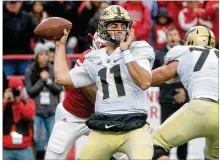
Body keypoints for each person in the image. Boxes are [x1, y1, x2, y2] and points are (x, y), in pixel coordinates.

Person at [53, 5, 155, 160]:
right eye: (114, 26)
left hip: (134, 127)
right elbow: (61, 78)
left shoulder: (138, 49)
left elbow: (145, 82)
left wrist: (125, 52)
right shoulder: (94, 58)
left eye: (123, 26)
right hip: (103, 128)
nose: (119, 30)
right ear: (102, 29)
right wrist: (60, 46)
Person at [151, 26, 218, 160]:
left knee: (154, 145)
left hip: (200, 108)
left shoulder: (185, 51)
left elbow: (157, 76)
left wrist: (134, 78)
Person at [153, 27, 189, 160]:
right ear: (166, 38)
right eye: (170, 35)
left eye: (175, 34)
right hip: (166, 100)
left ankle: (182, 159)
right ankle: (164, 158)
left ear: (180, 37)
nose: (173, 37)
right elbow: (154, 78)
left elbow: (192, 74)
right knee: (165, 134)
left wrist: (184, 91)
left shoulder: (188, 53)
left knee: (184, 134)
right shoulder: (158, 54)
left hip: (184, 101)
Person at [24, 43, 63, 159]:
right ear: (36, 56)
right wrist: (41, 80)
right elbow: (30, 91)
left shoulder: (53, 69)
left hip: (51, 111)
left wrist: (48, 81)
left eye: (46, 54)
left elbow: (59, 88)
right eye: (41, 54)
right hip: (37, 112)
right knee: (38, 139)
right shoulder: (30, 70)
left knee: (53, 139)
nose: (45, 57)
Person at [3, 79, 36, 160]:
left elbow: (29, 115)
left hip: (24, 148)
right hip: (6, 148)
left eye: (18, 90)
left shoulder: (28, 102)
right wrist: (4, 100)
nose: (16, 93)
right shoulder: (4, 103)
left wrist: (18, 103)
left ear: (22, 90)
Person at [3, 1, 36, 75]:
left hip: (25, 57)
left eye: (15, 2)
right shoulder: (2, 18)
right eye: (11, 3)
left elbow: (35, 35)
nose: (13, 5)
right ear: (6, 4)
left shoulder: (28, 17)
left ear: (20, 3)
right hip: (6, 57)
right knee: (5, 81)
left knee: (28, 80)